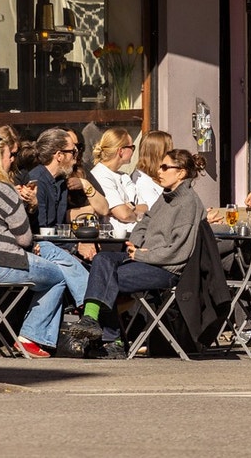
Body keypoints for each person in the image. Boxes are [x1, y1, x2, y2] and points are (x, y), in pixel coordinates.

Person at [0, 135, 85, 358]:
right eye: (10, 155)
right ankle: (31, 337)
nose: (13, 160)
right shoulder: (4, 190)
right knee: (57, 275)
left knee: (49, 255)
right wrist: (30, 205)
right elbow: (24, 239)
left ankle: (82, 305)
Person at [74, 148, 208, 358]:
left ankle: (113, 340)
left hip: (166, 269)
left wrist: (142, 255)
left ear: (181, 172)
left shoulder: (189, 202)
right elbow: (144, 222)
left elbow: (177, 252)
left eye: (165, 167)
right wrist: (134, 245)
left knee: (107, 277)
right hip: (145, 259)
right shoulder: (166, 197)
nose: (159, 171)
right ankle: (91, 322)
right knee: (102, 259)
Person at [22, 127, 93, 306]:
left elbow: (59, 224)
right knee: (79, 270)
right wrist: (75, 248)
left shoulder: (60, 181)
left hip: (56, 244)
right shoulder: (37, 180)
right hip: (39, 247)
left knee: (100, 267)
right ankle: (91, 311)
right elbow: (43, 228)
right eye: (72, 151)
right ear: (59, 155)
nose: (75, 156)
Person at [90, 127, 143, 239]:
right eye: (132, 147)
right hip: (114, 239)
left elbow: (144, 207)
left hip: (135, 235)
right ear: (120, 151)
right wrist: (132, 212)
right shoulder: (101, 175)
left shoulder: (124, 176)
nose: (134, 151)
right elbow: (123, 214)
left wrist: (130, 207)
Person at [131, 129, 174, 211]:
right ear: (158, 154)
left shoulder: (157, 177)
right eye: (169, 152)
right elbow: (157, 213)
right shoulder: (141, 183)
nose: (172, 156)